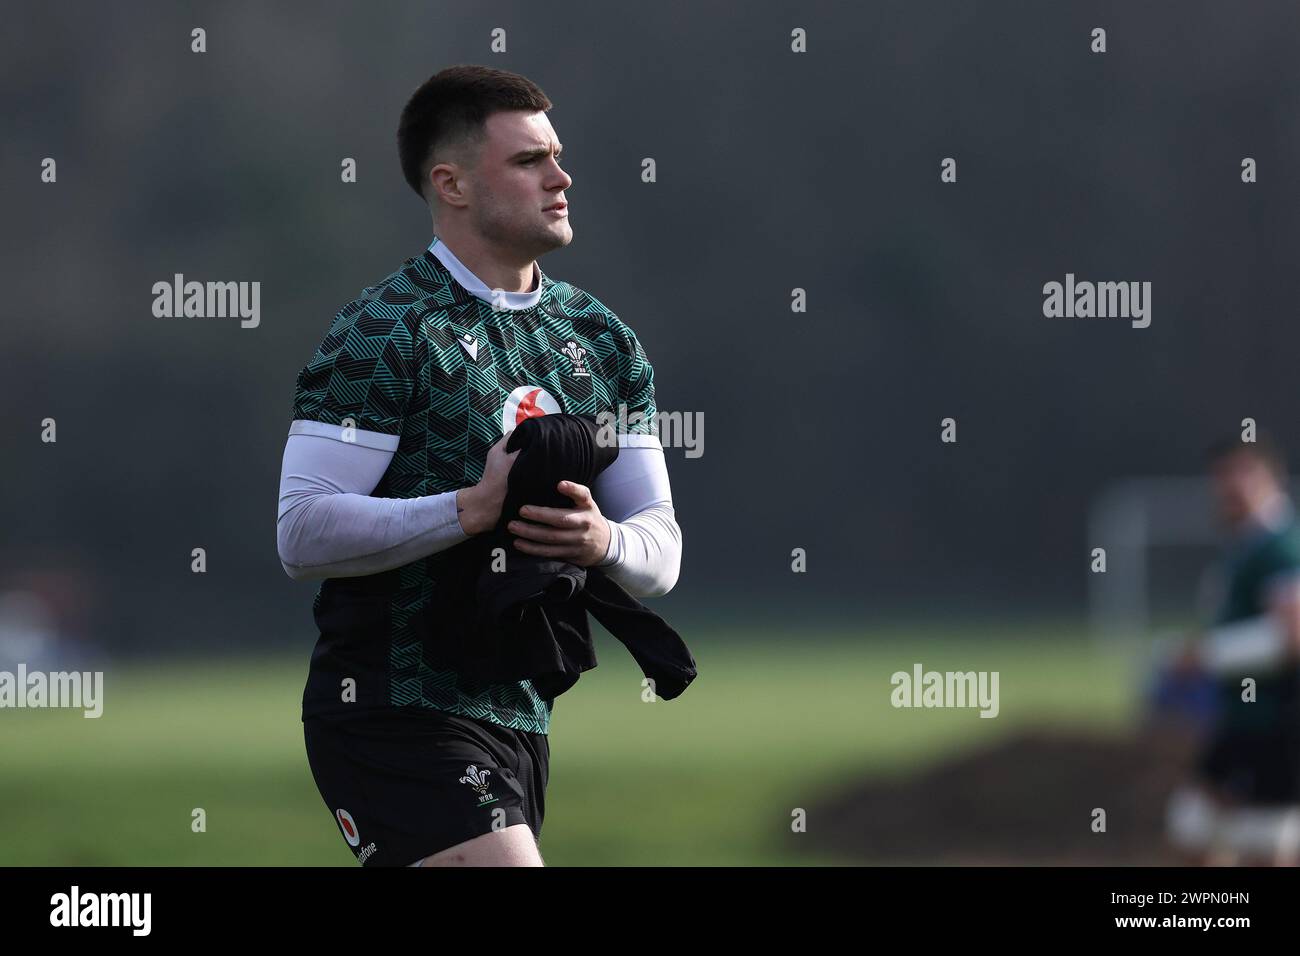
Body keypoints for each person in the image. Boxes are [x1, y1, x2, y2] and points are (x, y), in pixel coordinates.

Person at [276, 65, 682, 867]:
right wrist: (471, 507)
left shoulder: (602, 341)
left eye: (557, 156)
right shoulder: (382, 331)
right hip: (389, 707)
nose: (561, 177)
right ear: (451, 184)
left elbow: (659, 550)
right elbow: (301, 532)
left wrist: (600, 542)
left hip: (518, 713)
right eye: (529, 161)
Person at [1165, 433, 1300, 865]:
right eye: (1221, 478)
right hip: (1242, 722)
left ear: (1269, 478)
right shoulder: (1246, 549)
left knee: (1260, 845)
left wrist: (1208, 655)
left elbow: (1294, 635)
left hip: (1276, 723)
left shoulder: (1281, 547)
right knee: (1195, 827)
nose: (1229, 488)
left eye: (1241, 474)